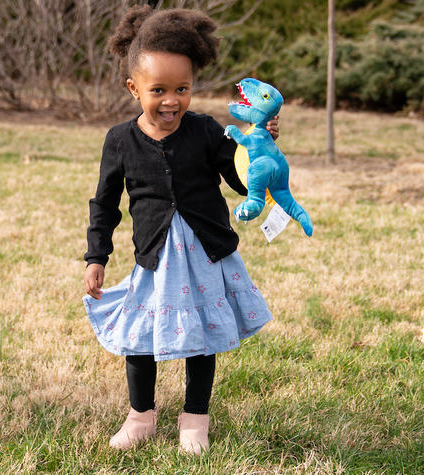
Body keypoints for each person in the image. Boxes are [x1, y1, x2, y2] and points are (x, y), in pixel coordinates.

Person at [82, 6, 278, 455]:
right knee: (140, 339)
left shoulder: (207, 131)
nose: (171, 100)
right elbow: (105, 203)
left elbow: (238, 178)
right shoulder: (120, 141)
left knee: (201, 336)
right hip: (155, 257)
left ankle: (195, 419)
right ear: (133, 88)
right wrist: (96, 258)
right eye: (158, 90)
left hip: (206, 254)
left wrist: (259, 148)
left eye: (182, 89)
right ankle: (141, 416)